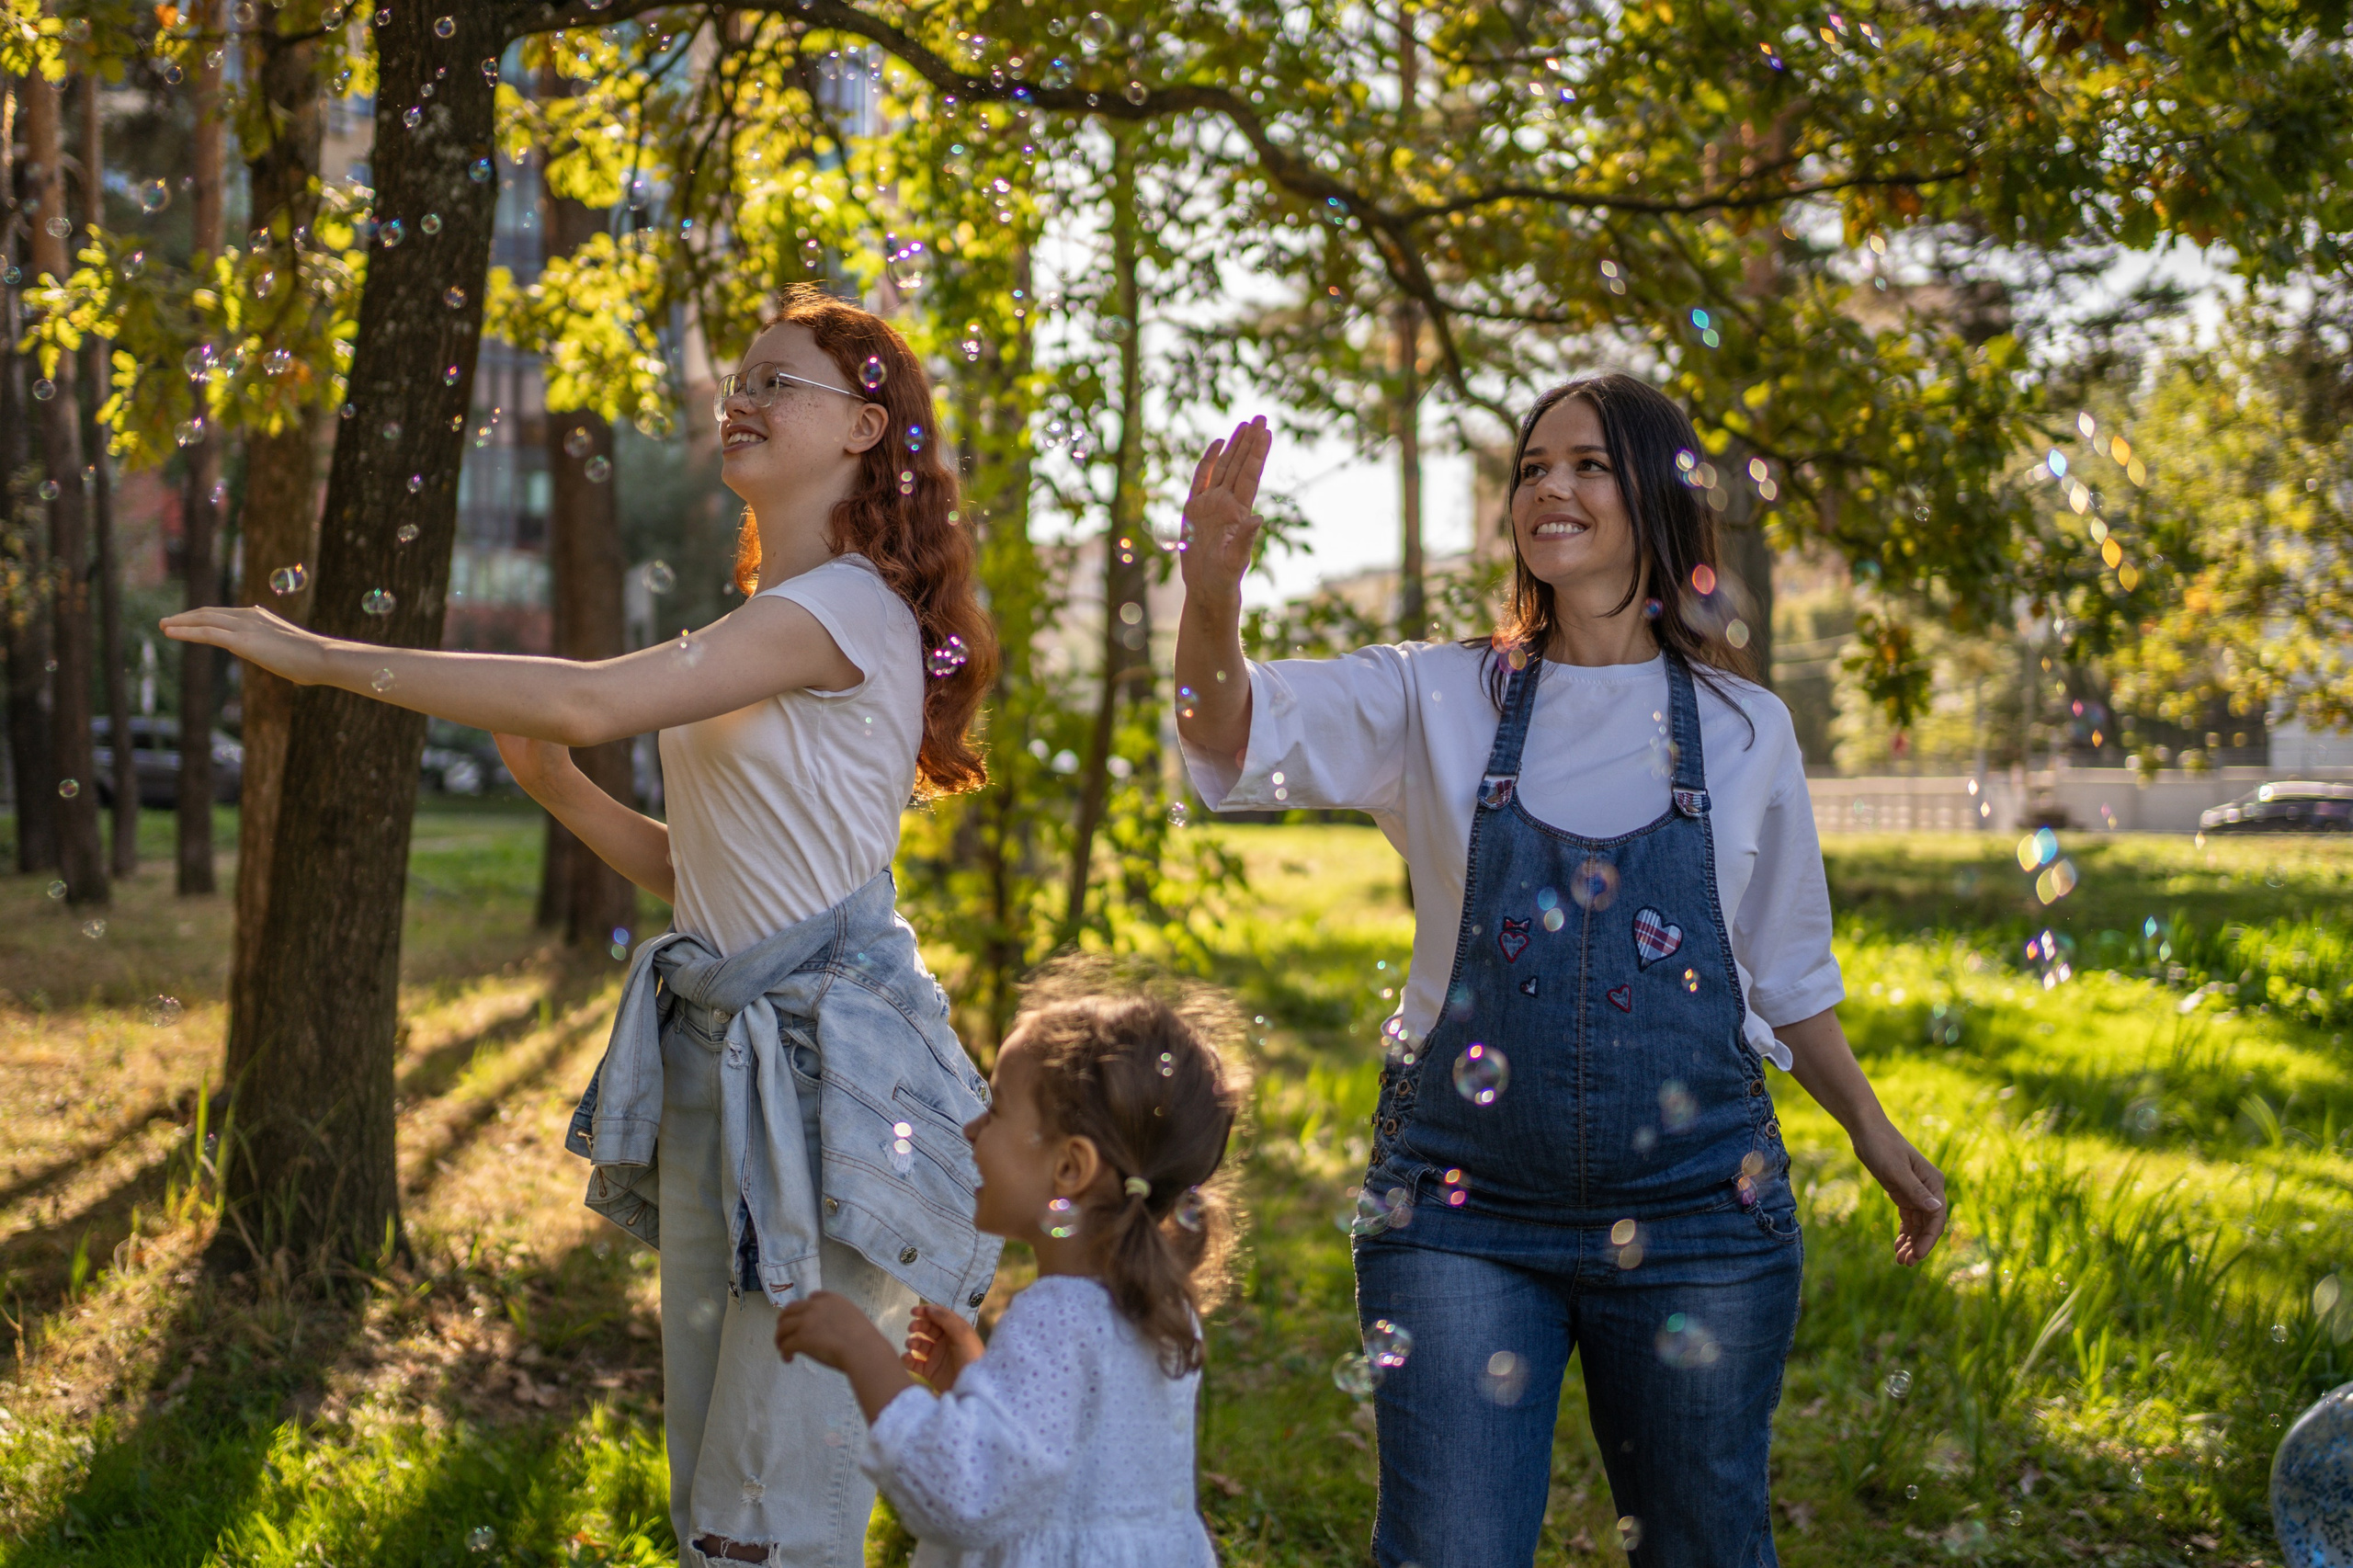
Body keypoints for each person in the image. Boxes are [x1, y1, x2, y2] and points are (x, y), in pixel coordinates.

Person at [163, 287, 1004, 1568]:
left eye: (781, 380)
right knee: (716, 1475)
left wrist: (323, 657)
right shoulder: (779, 616)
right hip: (737, 1057)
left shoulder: (843, 608)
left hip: (826, 1084)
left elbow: (595, 693)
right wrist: (561, 790)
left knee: (772, 1498)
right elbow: (719, 880)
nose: (744, 396)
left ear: (862, 429)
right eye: (744, 376)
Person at [1171, 380, 1949, 1568]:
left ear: (1656, 497)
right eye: (1534, 465)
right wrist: (1212, 590)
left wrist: (1874, 1132)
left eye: (1587, 463)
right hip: (1459, 1213)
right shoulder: (1435, 694)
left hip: (1701, 1210)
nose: (1551, 486)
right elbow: (1225, 730)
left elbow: (1786, 970)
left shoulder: (1745, 729)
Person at [772, 963, 1244, 1568]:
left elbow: (961, 1498)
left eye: (994, 1110)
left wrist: (862, 1352)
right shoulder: (1161, 1301)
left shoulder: (1057, 1317)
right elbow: (1069, 1451)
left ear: (1069, 1168)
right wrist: (979, 1385)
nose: (972, 1129)